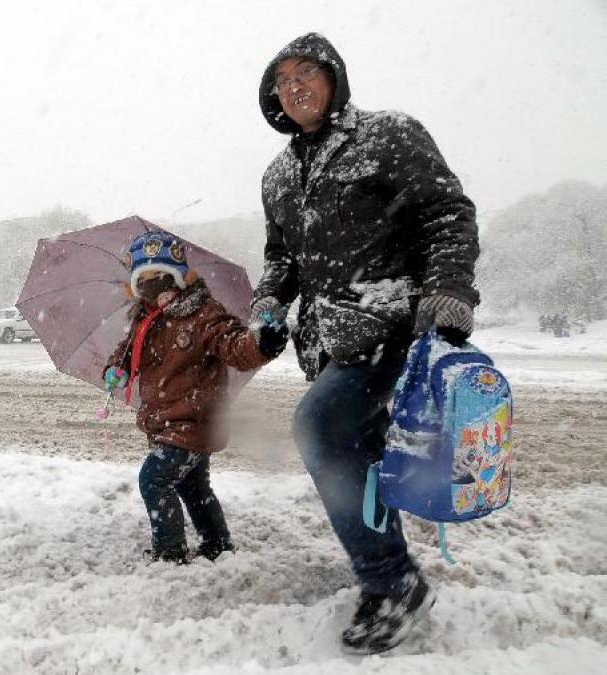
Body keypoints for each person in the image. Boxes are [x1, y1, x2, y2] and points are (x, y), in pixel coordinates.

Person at [250, 33, 480, 654]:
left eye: (307, 73)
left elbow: (447, 214)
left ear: (334, 78)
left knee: (319, 425)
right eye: (283, 79)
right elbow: (282, 259)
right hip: (326, 341)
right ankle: (389, 559)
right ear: (273, 97)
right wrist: (269, 302)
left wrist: (450, 288)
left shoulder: (388, 135)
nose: (295, 86)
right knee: (367, 457)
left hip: (391, 330)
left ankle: (391, 583)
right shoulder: (277, 175)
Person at [104, 232, 287, 564]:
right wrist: (115, 369)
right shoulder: (144, 320)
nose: (151, 286)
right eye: (142, 280)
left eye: (160, 277)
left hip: (193, 421)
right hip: (169, 422)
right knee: (193, 486)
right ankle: (217, 542)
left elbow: (234, 346)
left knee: (154, 479)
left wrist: (262, 343)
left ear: (177, 278)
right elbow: (127, 352)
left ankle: (170, 551)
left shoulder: (203, 314)